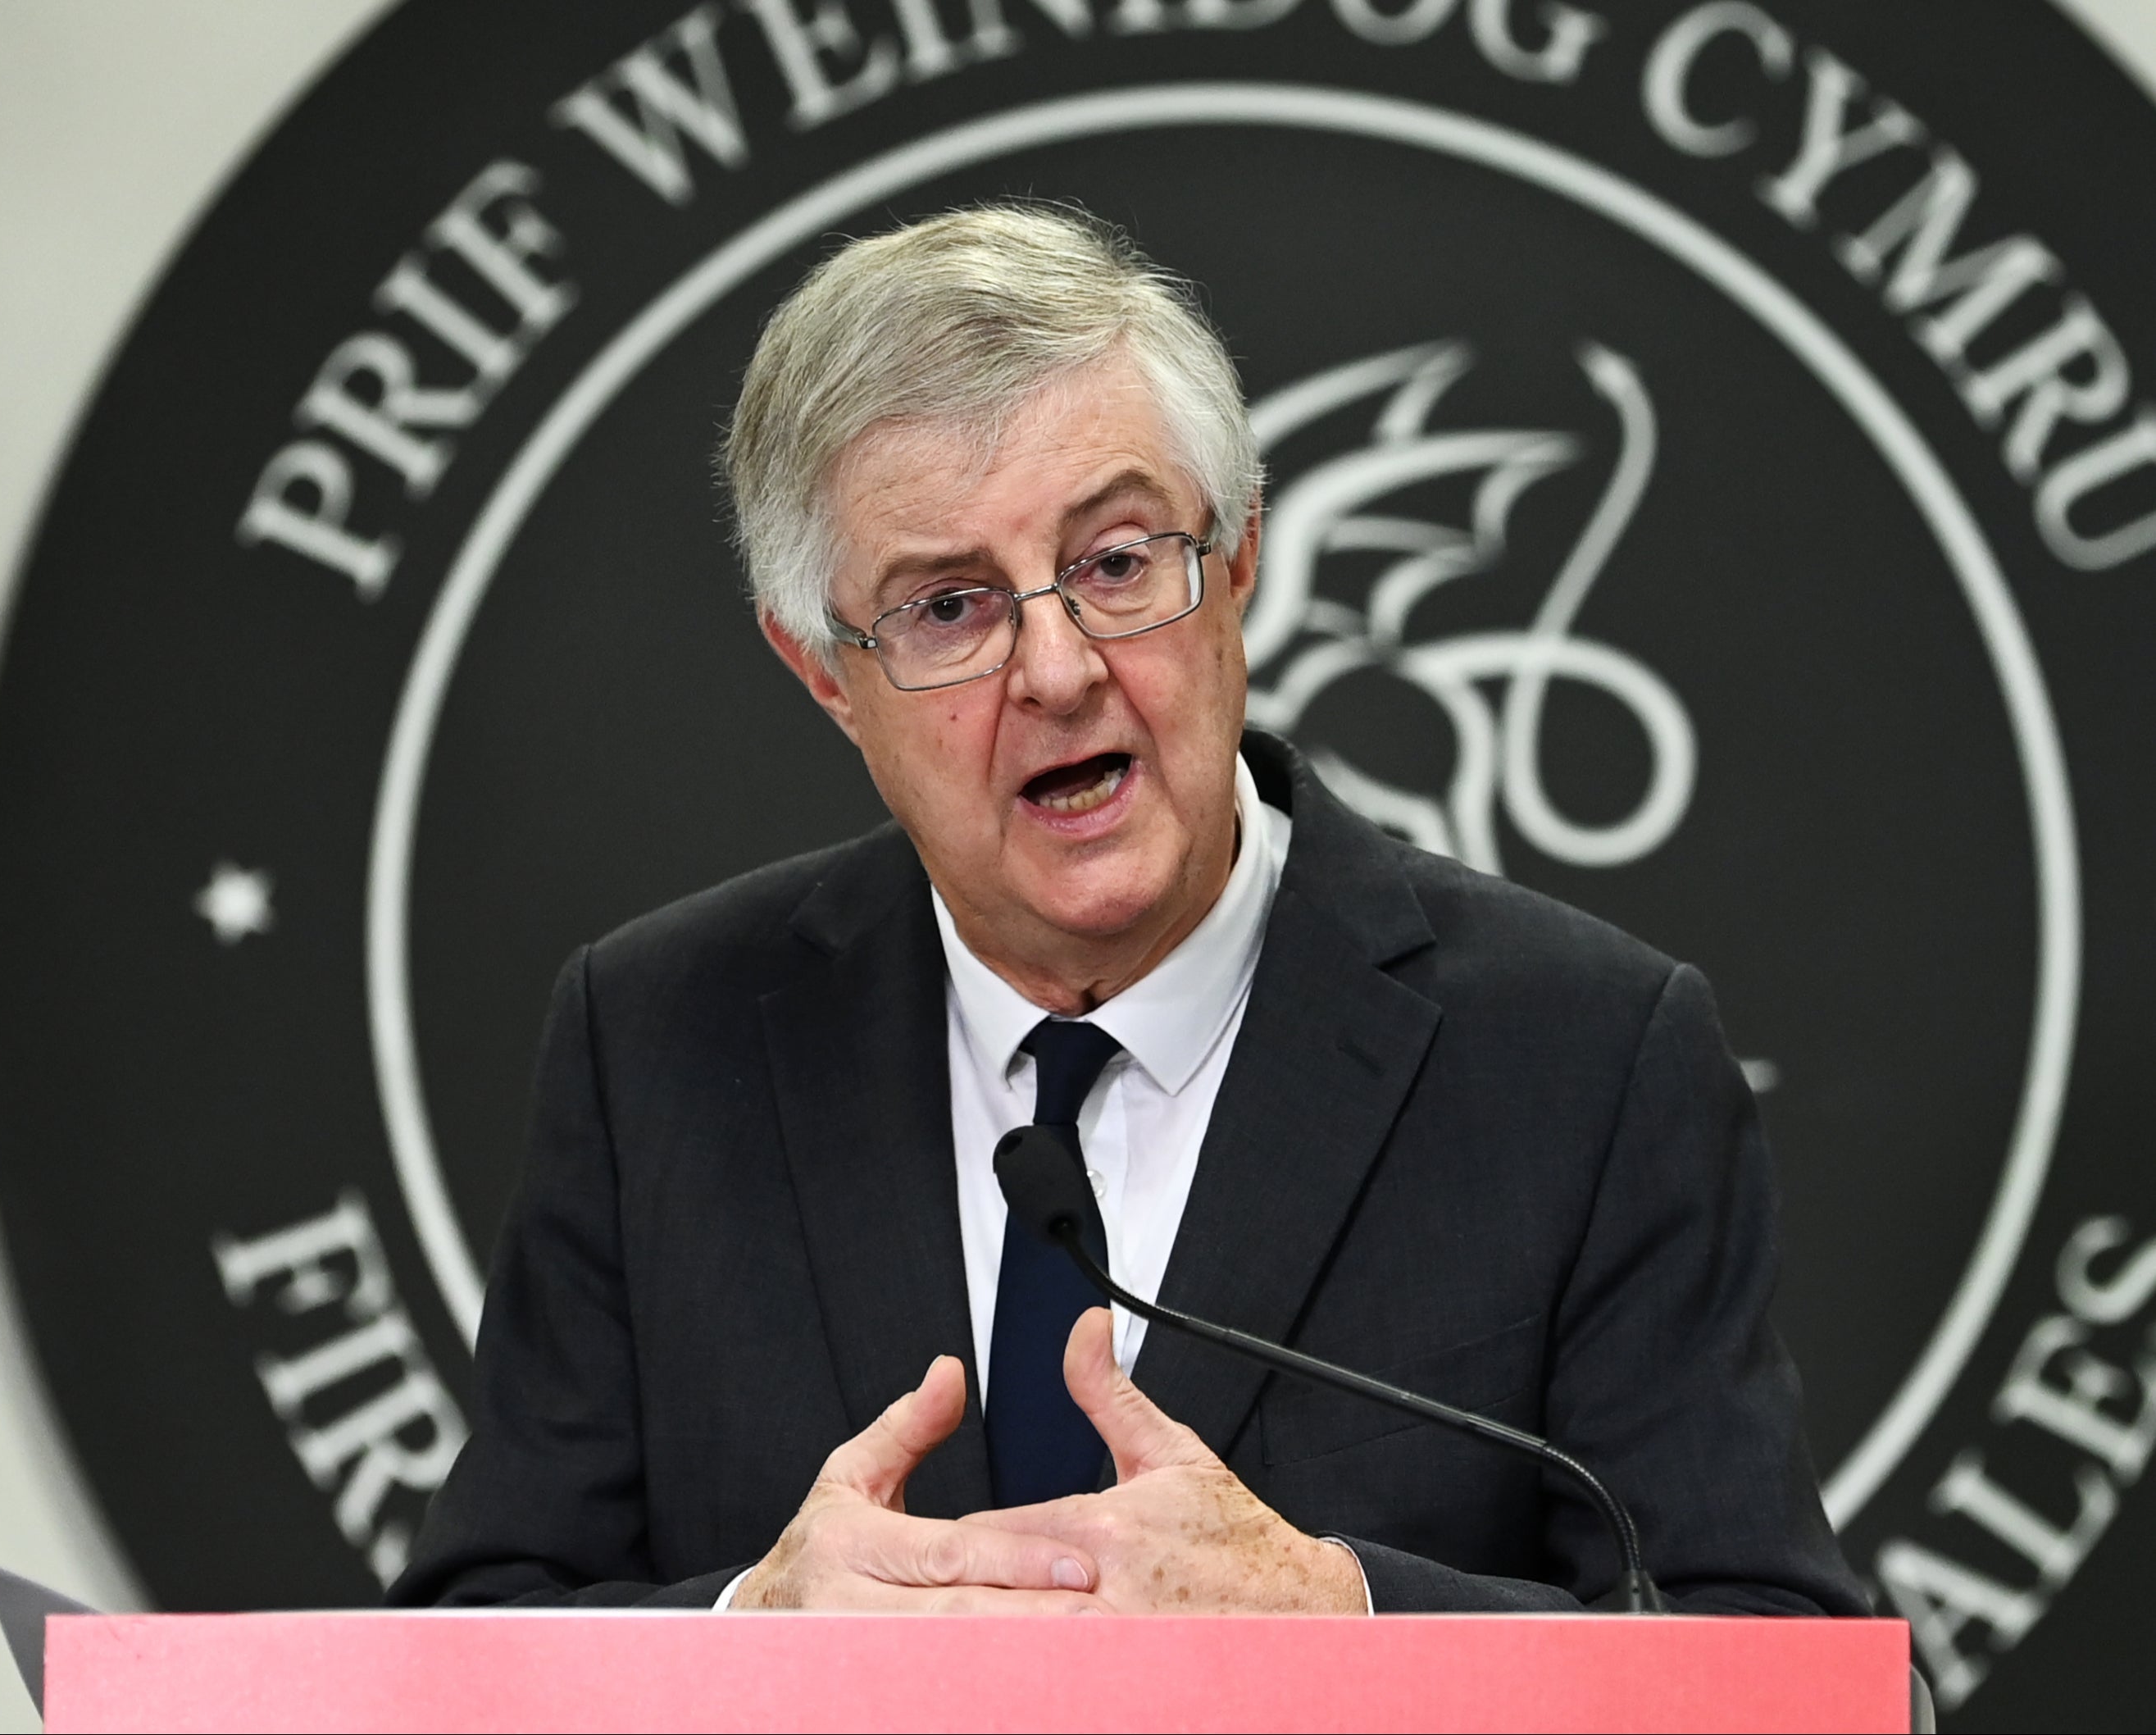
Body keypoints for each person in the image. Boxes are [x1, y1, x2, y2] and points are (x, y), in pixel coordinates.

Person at [390, 204, 1867, 1618]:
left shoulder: (1586, 1055)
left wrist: (1344, 1615)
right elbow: (464, 1643)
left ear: (1235, 563)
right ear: (825, 676)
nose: (1057, 672)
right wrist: (745, 1626)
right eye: (946, 606)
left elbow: (1789, 1667)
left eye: (1113, 563)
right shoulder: (656, 1042)